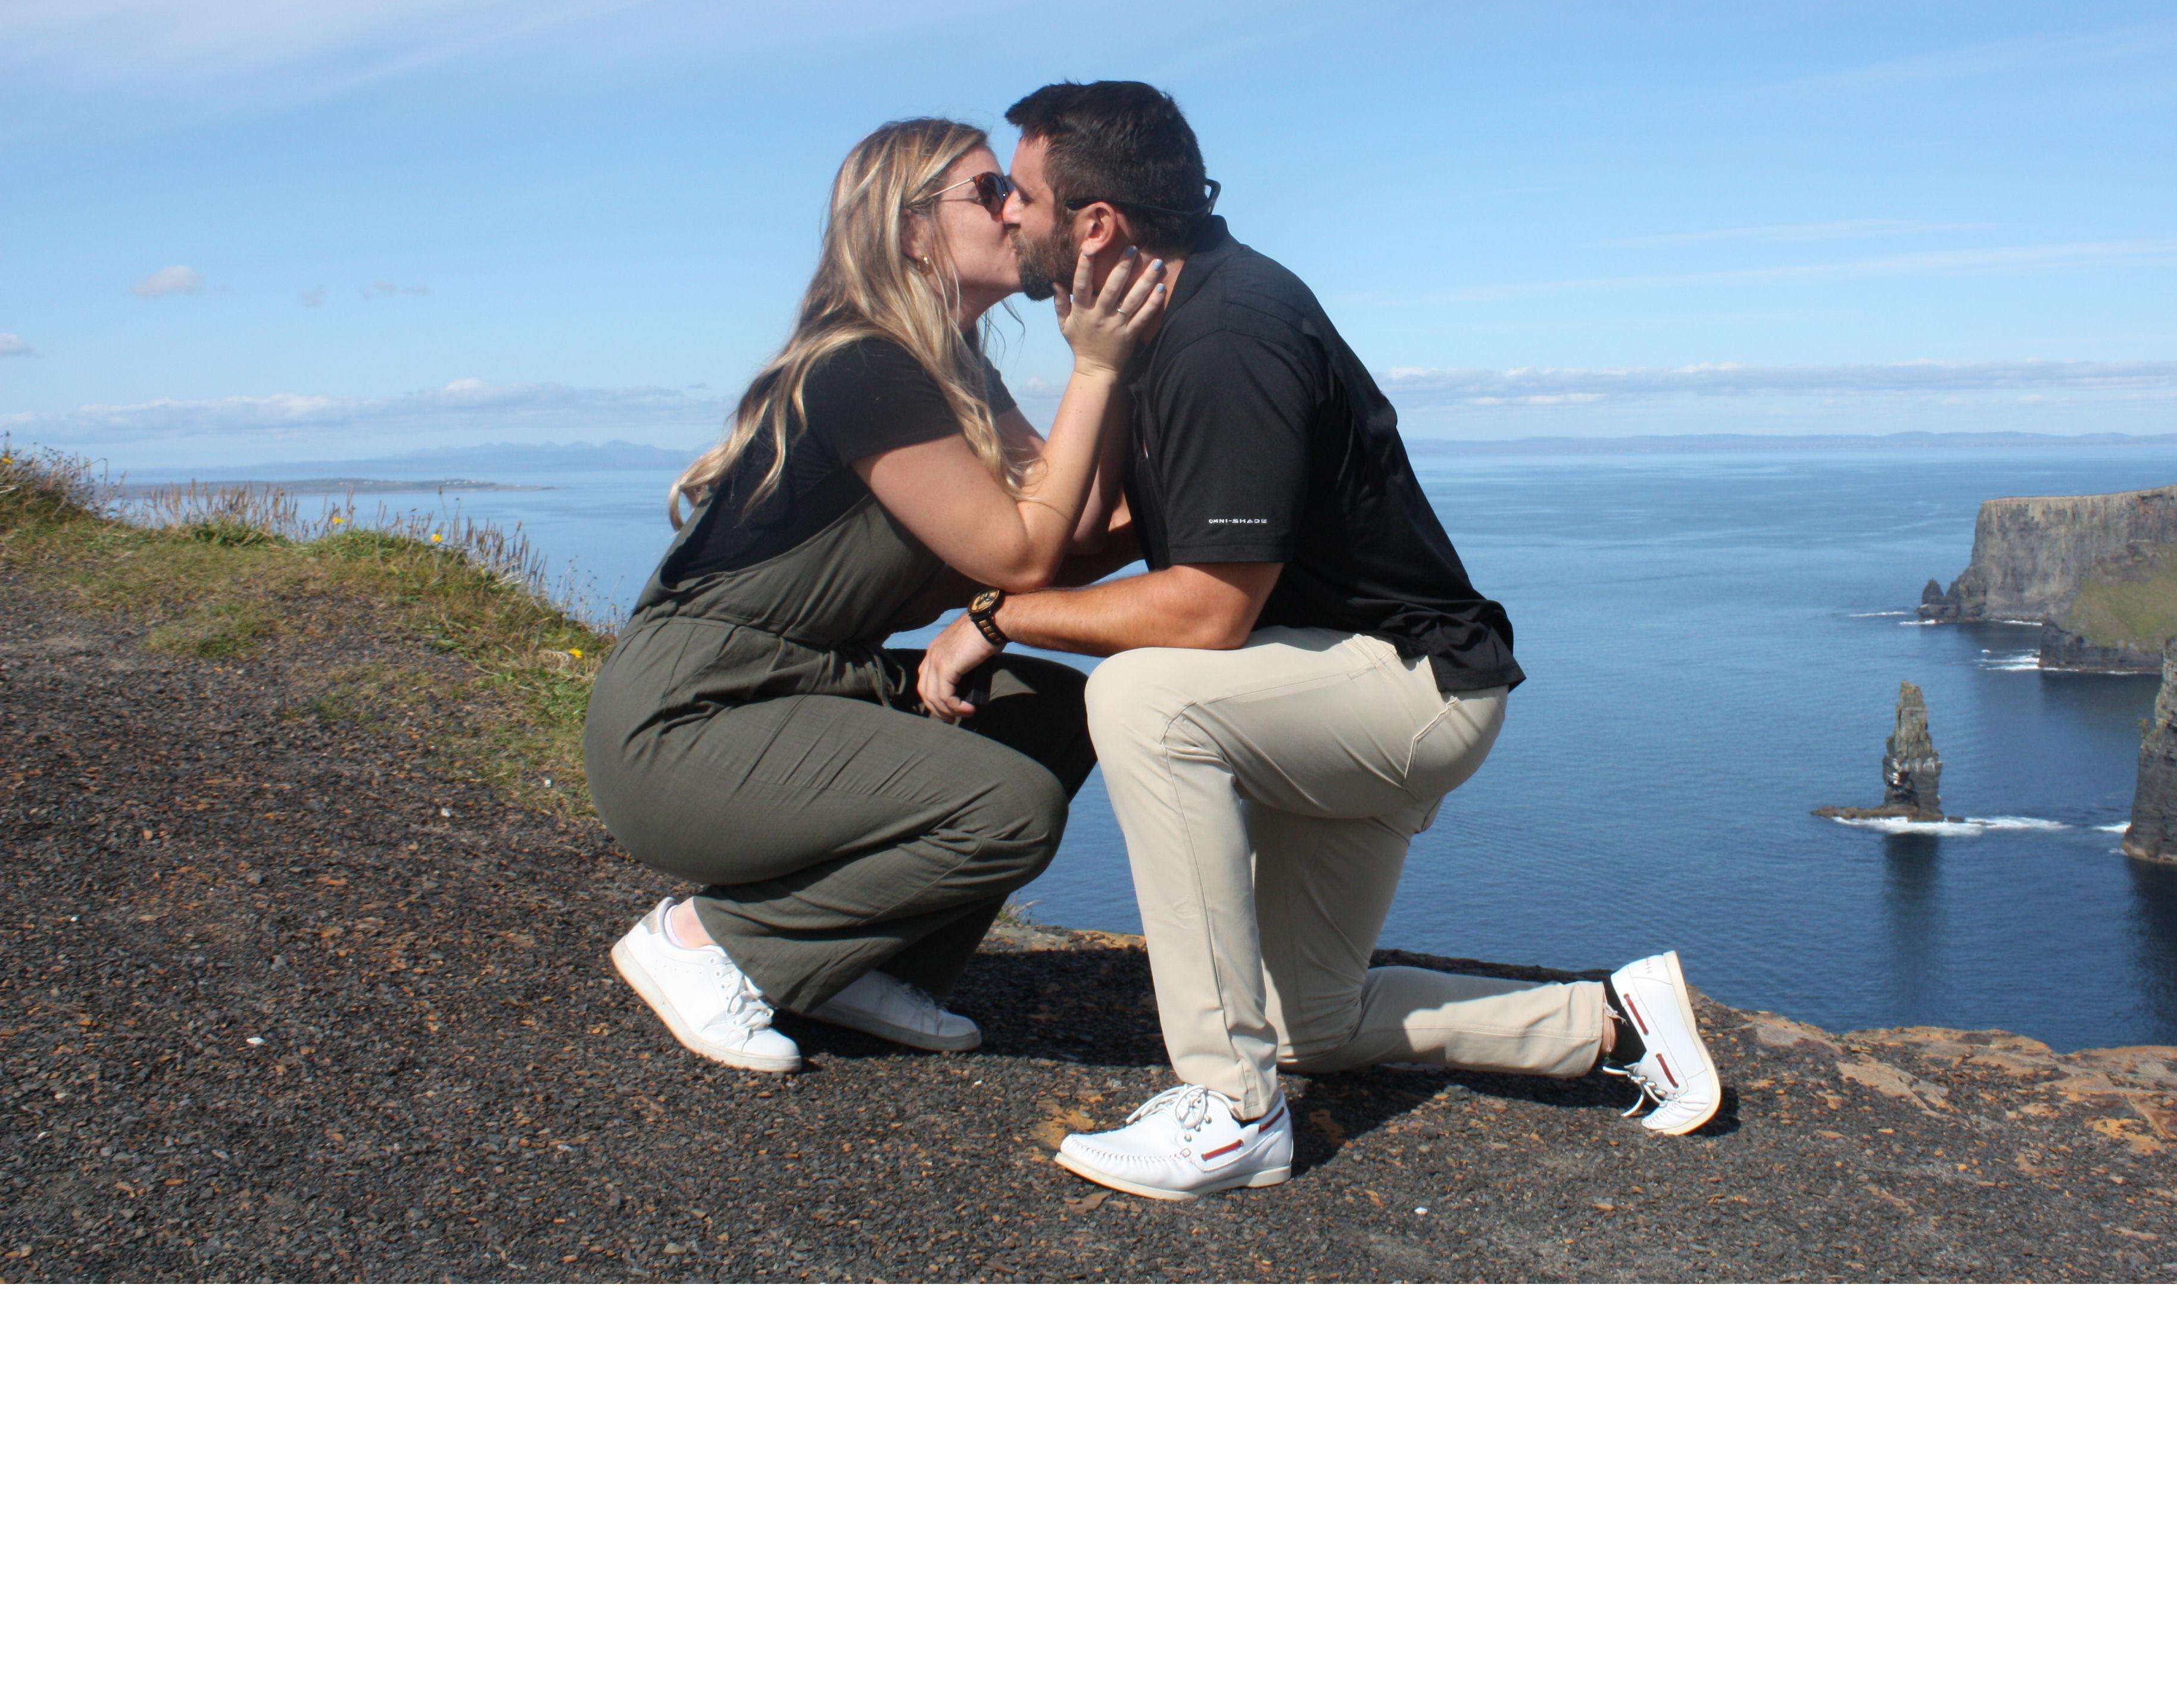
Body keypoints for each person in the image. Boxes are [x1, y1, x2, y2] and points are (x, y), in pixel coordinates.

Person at [916, 80, 1721, 1201]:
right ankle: (1615, 1024)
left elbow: (1207, 613)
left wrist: (994, 622)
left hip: (1408, 692)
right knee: (1308, 1019)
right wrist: (1085, 381)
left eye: (1024, 194)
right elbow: (1089, 537)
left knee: (1146, 699)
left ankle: (1232, 1113)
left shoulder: (1228, 336)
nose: (1007, 213)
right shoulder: (1158, 322)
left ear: (1095, 224)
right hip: (1325, 688)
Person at [586, 116, 1167, 1076]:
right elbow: (1022, 558)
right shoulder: (867, 369)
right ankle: (714, 940)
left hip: (801, 685)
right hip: (689, 715)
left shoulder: (954, 369)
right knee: (1009, 807)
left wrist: (1155, 411)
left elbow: (1070, 537)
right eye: (990, 192)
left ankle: (857, 962)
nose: (1018, 210)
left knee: (1055, 712)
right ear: (910, 230)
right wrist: (1098, 367)